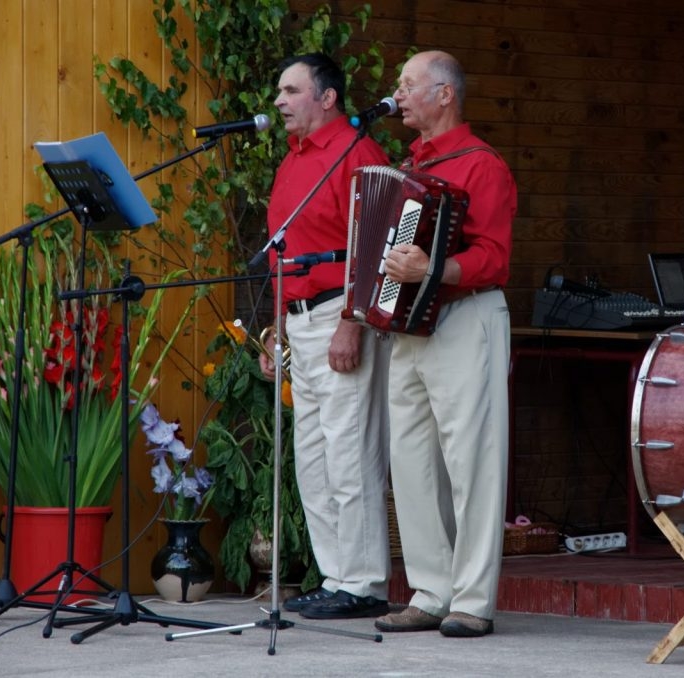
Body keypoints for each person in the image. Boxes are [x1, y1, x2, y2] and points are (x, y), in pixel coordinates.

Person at [371, 50, 517, 638]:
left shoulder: (484, 165)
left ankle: (474, 600)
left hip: (464, 317)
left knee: (472, 461)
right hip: (409, 324)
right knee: (410, 462)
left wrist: (433, 270)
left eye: (409, 85)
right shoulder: (408, 164)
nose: (398, 94)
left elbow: (494, 256)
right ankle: (431, 590)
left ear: (444, 95)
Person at [257, 52, 392, 620]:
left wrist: (350, 322)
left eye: (291, 91)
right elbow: (283, 251)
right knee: (311, 458)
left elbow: (380, 248)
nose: (280, 102)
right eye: (279, 93)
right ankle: (336, 575)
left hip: (340, 314)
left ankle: (363, 584)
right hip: (298, 320)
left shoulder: (358, 153)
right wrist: (275, 327)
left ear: (328, 97)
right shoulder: (292, 160)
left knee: (349, 453)